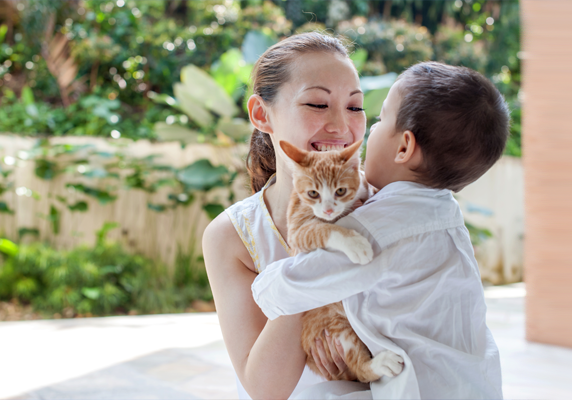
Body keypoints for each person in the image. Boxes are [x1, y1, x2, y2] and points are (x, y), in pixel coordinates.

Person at [251, 61, 509, 399]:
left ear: (403, 147)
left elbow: (285, 290)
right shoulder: (445, 213)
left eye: (378, 119)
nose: (366, 130)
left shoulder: (377, 229)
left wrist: (265, 283)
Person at [202, 32, 369, 399]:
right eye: (317, 104)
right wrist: (315, 289)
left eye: (355, 107)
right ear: (262, 114)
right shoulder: (234, 236)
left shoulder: (383, 203)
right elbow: (265, 388)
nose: (342, 126)